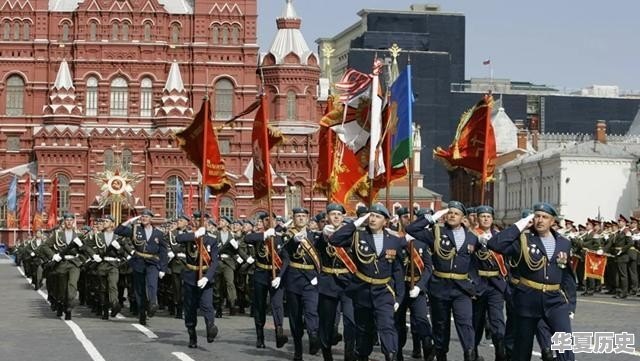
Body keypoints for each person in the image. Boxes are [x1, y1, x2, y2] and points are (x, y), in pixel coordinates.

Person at [487, 203, 576, 361]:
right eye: (537, 216)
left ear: (552, 221)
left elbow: (567, 276)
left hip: (555, 299)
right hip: (528, 299)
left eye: (545, 217)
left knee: (565, 345)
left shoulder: (564, 242)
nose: (540, 220)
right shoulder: (523, 240)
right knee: (522, 348)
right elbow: (494, 244)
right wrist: (520, 225)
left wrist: (571, 306)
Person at [405, 202, 482, 361]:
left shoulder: (472, 238)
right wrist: (433, 217)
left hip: (462, 289)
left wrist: (475, 283)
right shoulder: (436, 232)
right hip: (440, 287)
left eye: (456, 213)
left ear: (463, 217)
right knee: (441, 325)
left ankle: (469, 353)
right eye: (450, 212)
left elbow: (477, 263)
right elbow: (411, 229)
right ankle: (441, 354)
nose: (452, 215)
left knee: (465, 323)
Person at [330, 204, 405, 361]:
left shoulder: (394, 241)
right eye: (371, 215)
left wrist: (398, 297)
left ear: (385, 221)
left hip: (384, 290)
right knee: (364, 329)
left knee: (386, 325)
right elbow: (334, 240)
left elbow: (398, 271)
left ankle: (390, 354)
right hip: (362, 290)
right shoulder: (358, 236)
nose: (373, 219)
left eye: (378, 216)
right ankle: (363, 354)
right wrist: (356, 223)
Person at [279, 207, 321, 361]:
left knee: (312, 311)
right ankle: (298, 350)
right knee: (295, 317)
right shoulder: (287, 236)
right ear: (293, 218)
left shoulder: (314, 236)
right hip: (293, 279)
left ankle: (313, 336)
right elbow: (284, 253)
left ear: (308, 218)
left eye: (304, 216)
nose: (301, 219)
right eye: (298, 216)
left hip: (311, 279)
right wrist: (293, 242)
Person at [114, 209, 168, 325]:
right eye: (142, 217)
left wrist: (163, 268)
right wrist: (130, 220)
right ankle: (142, 312)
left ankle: (153, 304)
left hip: (152, 262)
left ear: (151, 219)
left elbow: (163, 252)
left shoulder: (158, 233)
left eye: (147, 217)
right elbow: (118, 230)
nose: (144, 219)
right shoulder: (135, 230)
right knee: (139, 289)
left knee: (152, 284)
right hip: (138, 262)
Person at [317, 203, 356, 361]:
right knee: (327, 322)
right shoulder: (321, 235)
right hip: (328, 283)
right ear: (327, 217)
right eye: (332, 214)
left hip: (348, 283)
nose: (336, 217)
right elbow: (315, 249)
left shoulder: (351, 234)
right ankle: (327, 354)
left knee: (350, 320)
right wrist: (322, 236)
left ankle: (349, 354)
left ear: (343, 217)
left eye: (339, 214)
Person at [244, 212, 289, 349]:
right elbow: (247, 238)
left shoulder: (282, 236)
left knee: (277, 305)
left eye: (273, 220)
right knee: (259, 305)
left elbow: (286, 259)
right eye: (266, 220)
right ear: (262, 222)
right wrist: (264, 235)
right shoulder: (259, 236)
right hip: (261, 273)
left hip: (276, 274)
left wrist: (280, 276)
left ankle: (279, 333)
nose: (270, 222)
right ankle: (260, 337)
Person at [470, 206, 507, 361]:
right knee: (476, 322)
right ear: (478, 218)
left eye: (488, 216)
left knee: (497, 321)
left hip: (495, 285)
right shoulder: (470, 236)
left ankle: (500, 354)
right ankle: (473, 354)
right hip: (478, 284)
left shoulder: (499, 236)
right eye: (482, 216)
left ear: (492, 219)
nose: (485, 219)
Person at [176, 223, 219, 347]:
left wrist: (207, 277)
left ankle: (210, 327)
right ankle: (192, 335)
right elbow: (178, 239)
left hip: (205, 276)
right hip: (190, 276)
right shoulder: (190, 237)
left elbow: (215, 262)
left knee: (207, 305)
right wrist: (195, 235)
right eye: (195, 221)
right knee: (190, 308)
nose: (199, 223)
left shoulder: (212, 240)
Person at [40, 213, 88, 320]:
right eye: (67, 220)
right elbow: (44, 246)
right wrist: (53, 256)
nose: (69, 222)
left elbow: (85, 250)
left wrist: (81, 258)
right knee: (61, 290)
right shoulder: (57, 235)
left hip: (74, 264)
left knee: (72, 286)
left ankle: (69, 307)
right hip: (61, 263)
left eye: (71, 220)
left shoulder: (79, 235)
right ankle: (61, 304)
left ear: (74, 222)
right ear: (64, 222)